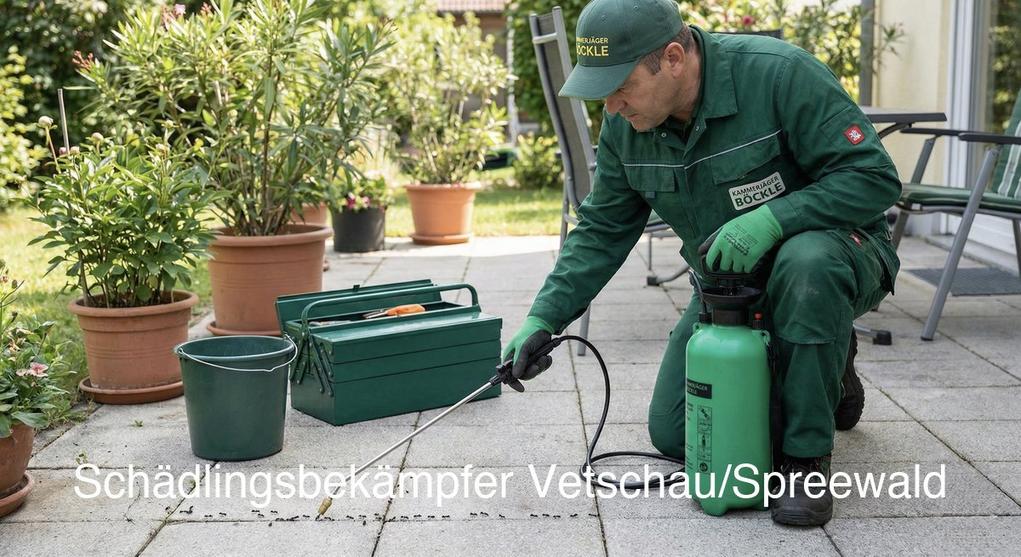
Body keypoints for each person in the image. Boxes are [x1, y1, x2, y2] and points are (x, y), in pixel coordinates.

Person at [502, 0, 901, 526]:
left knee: (806, 264)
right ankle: (826, 358)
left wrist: (776, 219)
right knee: (675, 434)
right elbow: (602, 229)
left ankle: (806, 461)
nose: (613, 106)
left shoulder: (779, 74)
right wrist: (544, 316)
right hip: (729, 285)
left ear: (672, 58)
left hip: (835, 254)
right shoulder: (628, 123)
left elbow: (875, 178)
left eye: (620, 86)